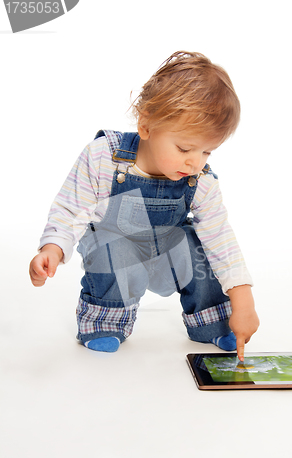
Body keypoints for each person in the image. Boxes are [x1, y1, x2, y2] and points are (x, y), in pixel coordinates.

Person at [29, 51, 259, 361]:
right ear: (146, 125)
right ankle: (106, 322)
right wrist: (53, 249)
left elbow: (220, 237)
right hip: (117, 247)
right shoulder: (103, 157)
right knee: (111, 247)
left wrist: (243, 303)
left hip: (167, 250)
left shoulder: (200, 180)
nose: (195, 162)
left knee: (199, 245)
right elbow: (72, 209)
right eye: (185, 148)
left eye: (207, 152)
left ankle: (212, 321)